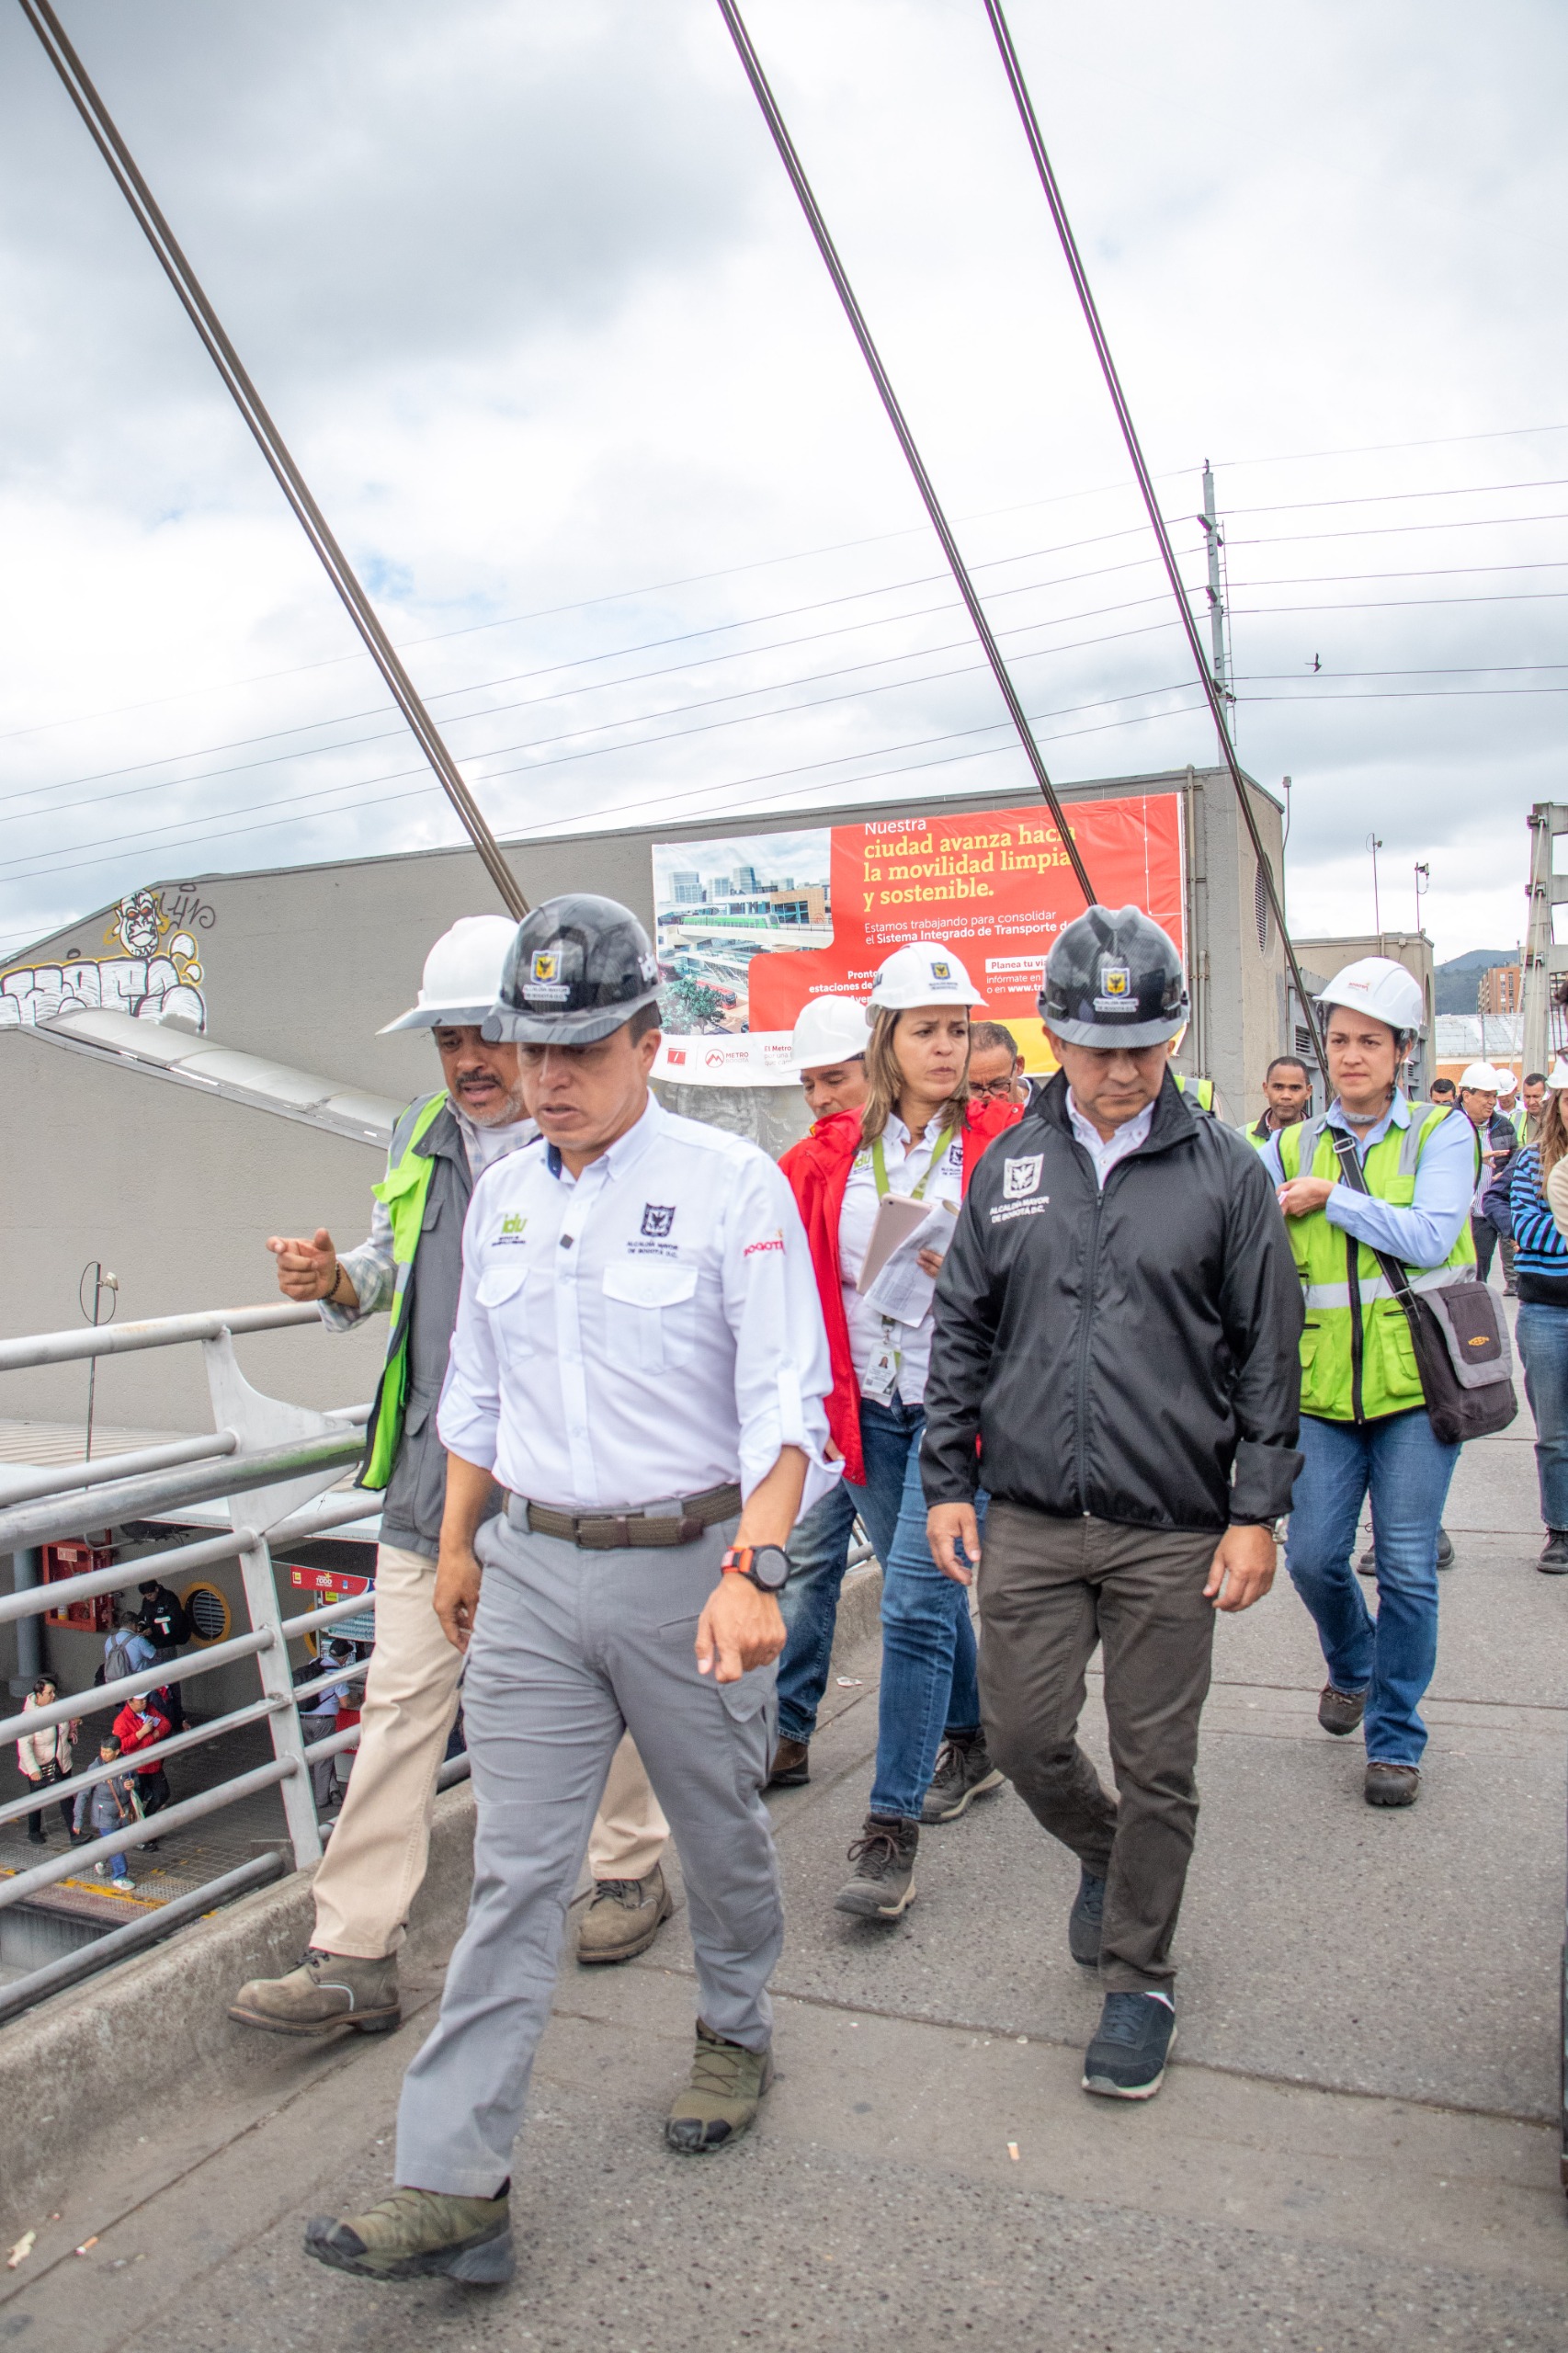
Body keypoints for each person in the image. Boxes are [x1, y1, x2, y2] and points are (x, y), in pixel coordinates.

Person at [305, 893, 836, 2286]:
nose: (546, 1077)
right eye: (531, 1050)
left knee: (717, 1834)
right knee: (514, 1877)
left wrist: (754, 1568)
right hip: (533, 1575)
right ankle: (452, 2179)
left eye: (579, 1049)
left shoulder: (734, 1188)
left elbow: (790, 1410)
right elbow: (473, 1395)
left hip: (691, 1574)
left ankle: (733, 2029)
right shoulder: (506, 1198)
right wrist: (466, 1544)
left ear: (648, 1040)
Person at [232, 920, 672, 2040]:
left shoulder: (608, 1144)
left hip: (574, 1487)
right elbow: (396, 1268)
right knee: (399, 1705)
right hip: (437, 1481)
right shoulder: (418, 1133)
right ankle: (352, 1951)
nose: (471, 1059)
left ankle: (627, 1869)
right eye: (448, 1038)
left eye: (491, 1034)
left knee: (616, 1687)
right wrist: (338, 1280)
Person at [922, 904, 1300, 2101]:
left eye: (1144, 1044)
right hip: (1029, 1514)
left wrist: (1254, 1512)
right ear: (1051, 1036)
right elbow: (962, 1328)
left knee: (1158, 1766)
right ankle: (1102, 1854)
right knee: (1024, 1736)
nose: (1122, 1068)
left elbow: (1265, 1356)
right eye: (1096, 1044)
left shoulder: (1227, 1177)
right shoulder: (1011, 1166)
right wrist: (944, 1479)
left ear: (1173, 1037)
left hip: (1169, 1528)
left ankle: (1139, 1978)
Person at [778, 941, 1020, 1915]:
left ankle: (887, 1832)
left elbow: (1058, 1272)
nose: (944, 1046)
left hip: (962, 1415)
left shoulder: (1009, 1144)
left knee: (915, 1604)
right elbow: (790, 1284)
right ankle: (974, 1736)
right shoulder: (825, 1153)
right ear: (884, 1038)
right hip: (866, 1412)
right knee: (927, 1594)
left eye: (956, 1029)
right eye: (924, 1029)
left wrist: (977, 1269)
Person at [1271, 959, 1478, 1810]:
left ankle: (1395, 1736)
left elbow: (1432, 1237)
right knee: (1313, 1557)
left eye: (1369, 1042)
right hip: (1321, 1390)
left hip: (1417, 1388)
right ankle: (1352, 1662)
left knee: (1406, 1565)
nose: (1350, 1055)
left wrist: (1332, 1198)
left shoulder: (1441, 1134)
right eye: (1339, 1039)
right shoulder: (1287, 1143)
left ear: (1402, 1052)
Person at [769, 996, 872, 1790]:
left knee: (911, 1582)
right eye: (809, 1084)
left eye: (833, 1079)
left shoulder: (930, 1153)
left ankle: (971, 1726)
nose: (818, 1098)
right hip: (830, 1407)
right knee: (808, 1566)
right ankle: (786, 1730)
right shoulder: (803, 1165)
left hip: (885, 1404)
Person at [1506, 1080, 1568, 1571]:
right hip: (1548, 1311)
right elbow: (1525, 1228)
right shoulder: (1532, 1161)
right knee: (1555, 1432)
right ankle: (1562, 1529)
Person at [1457, 1061, 1515, 1284]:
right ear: (1466, 1095)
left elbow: (1512, 1162)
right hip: (1457, 1214)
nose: (1492, 1102)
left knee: (1480, 1274)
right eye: (1486, 1095)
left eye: (1494, 1095)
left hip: (1485, 1215)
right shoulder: (1445, 1123)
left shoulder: (1504, 1126)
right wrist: (1473, 1155)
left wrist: (1506, 1179)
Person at [16, 1679, 79, 1845]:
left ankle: (75, 1834)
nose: (53, 1696)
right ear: (38, 1695)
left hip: (62, 1761)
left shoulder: (57, 1707)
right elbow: (24, 1745)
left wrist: (72, 1727)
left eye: (53, 1692)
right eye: (49, 1693)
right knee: (37, 1798)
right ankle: (33, 1830)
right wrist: (33, 1769)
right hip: (42, 1765)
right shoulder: (28, 1718)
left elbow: (62, 1731)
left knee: (66, 1798)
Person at [72, 1735, 138, 1889]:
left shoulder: (127, 1763)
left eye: (108, 1752)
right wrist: (78, 1819)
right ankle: (120, 1876)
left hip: (122, 1812)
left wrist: (133, 1783)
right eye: (102, 1751)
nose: (104, 1755)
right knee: (115, 1844)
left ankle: (101, 1859)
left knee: (118, 1842)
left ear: (117, 1751)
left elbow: (136, 1778)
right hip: (104, 1814)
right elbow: (83, 1793)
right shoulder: (96, 1768)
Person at [111, 1692, 171, 1847]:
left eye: (145, 1699)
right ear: (129, 1702)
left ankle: (145, 1824)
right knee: (135, 1803)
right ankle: (140, 1836)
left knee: (162, 1793)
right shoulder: (122, 1721)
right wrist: (144, 1734)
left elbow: (165, 1723)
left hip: (153, 1763)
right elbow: (122, 1745)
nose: (144, 1702)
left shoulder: (149, 1709)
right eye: (140, 1701)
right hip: (136, 1769)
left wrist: (155, 1733)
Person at [135, 1576, 188, 1732]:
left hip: (166, 1645)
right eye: (146, 1596)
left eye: (150, 1595)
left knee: (170, 1683)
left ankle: (177, 1717)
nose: (149, 1598)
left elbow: (174, 1622)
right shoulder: (147, 1602)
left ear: (157, 1589)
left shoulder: (169, 1599)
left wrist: (155, 1629)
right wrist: (142, 1625)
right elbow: (144, 1616)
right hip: (152, 1646)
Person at [1242, 1054, 1312, 1148]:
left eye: (1295, 1088)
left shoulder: (1324, 1139)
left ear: (1308, 1092)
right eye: (1278, 1087)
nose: (1286, 1096)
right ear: (1266, 1089)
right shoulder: (1241, 1138)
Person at [968, 1020, 1029, 1107]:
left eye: (998, 1085)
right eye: (973, 1087)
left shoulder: (1052, 1114)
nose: (988, 1097)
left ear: (1019, 1065)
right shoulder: (947, 1115)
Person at [1520, 1073, 1548, 1146]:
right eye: (1527, 1097)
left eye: (1536, 1096)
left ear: (1547, 1096)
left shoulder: (1559, 1120)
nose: (1531, 1102)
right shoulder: (1514, 1119)